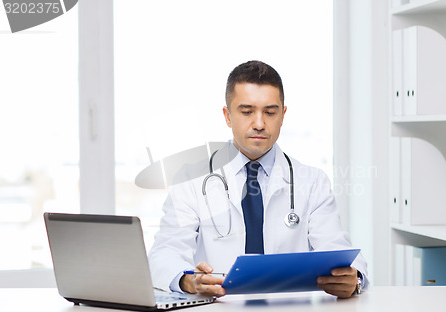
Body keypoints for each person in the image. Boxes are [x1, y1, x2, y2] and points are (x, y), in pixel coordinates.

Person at [148, 60, 368, 299]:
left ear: (283, 115)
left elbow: (338, 249)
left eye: (270, 112)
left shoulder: (312, 181)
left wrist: (353, 280)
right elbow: (165, 253)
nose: (260, 124)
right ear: (227, 116)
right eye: (247, 111)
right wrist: (187, 280)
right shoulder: (190, 180)